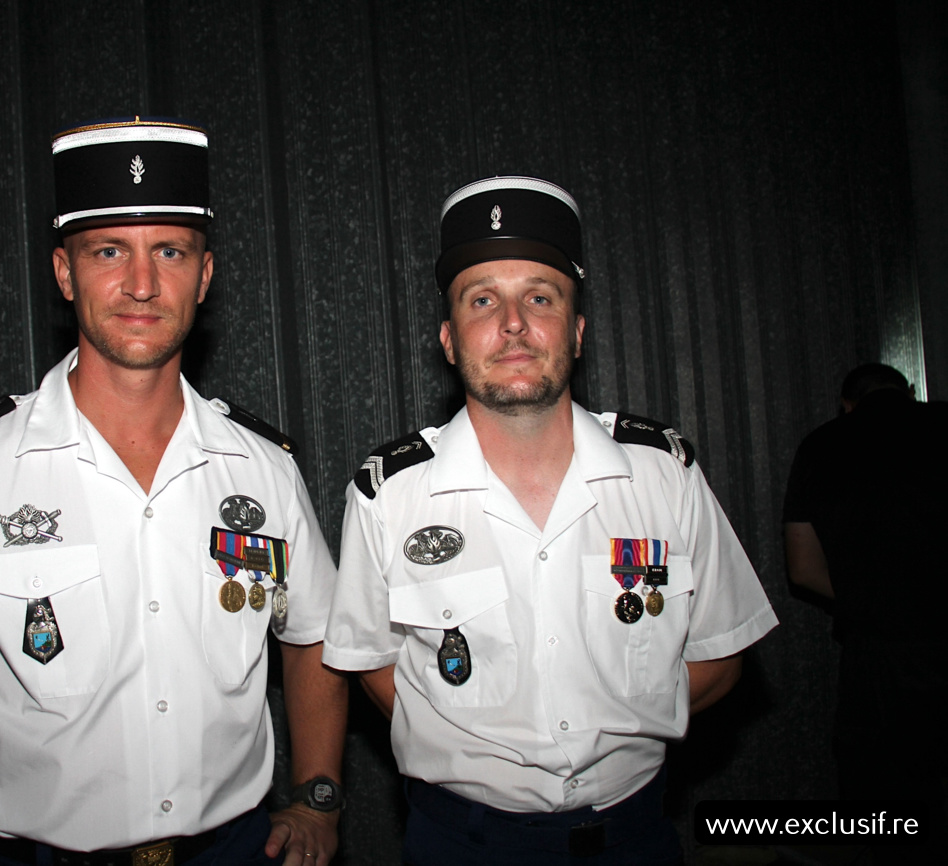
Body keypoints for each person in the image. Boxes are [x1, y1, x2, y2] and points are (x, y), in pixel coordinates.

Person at [0, 117, 347, 866]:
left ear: (205, 276)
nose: (142, 285)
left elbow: (313, 639)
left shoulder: (262, 470)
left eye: (170, 252)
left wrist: (318, 798)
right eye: (108, 251)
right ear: (63, 272)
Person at [321, 176, 778, 864]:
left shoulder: (662, 474)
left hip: (632, 838)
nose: (512, 323)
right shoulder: (389, 494)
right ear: (448, 339)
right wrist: (470, 745)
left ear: (578, 330)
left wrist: (618, 726)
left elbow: (721, 649)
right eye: (483, 300)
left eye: (540, 297)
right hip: (459, 845)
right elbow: (376, 666)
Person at [783, 362, 947, 853]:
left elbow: (803, 569)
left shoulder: (821, 445)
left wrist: (871, 596)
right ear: (909, 391)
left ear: (847, 404)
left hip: (878, 659)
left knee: (884, 815)